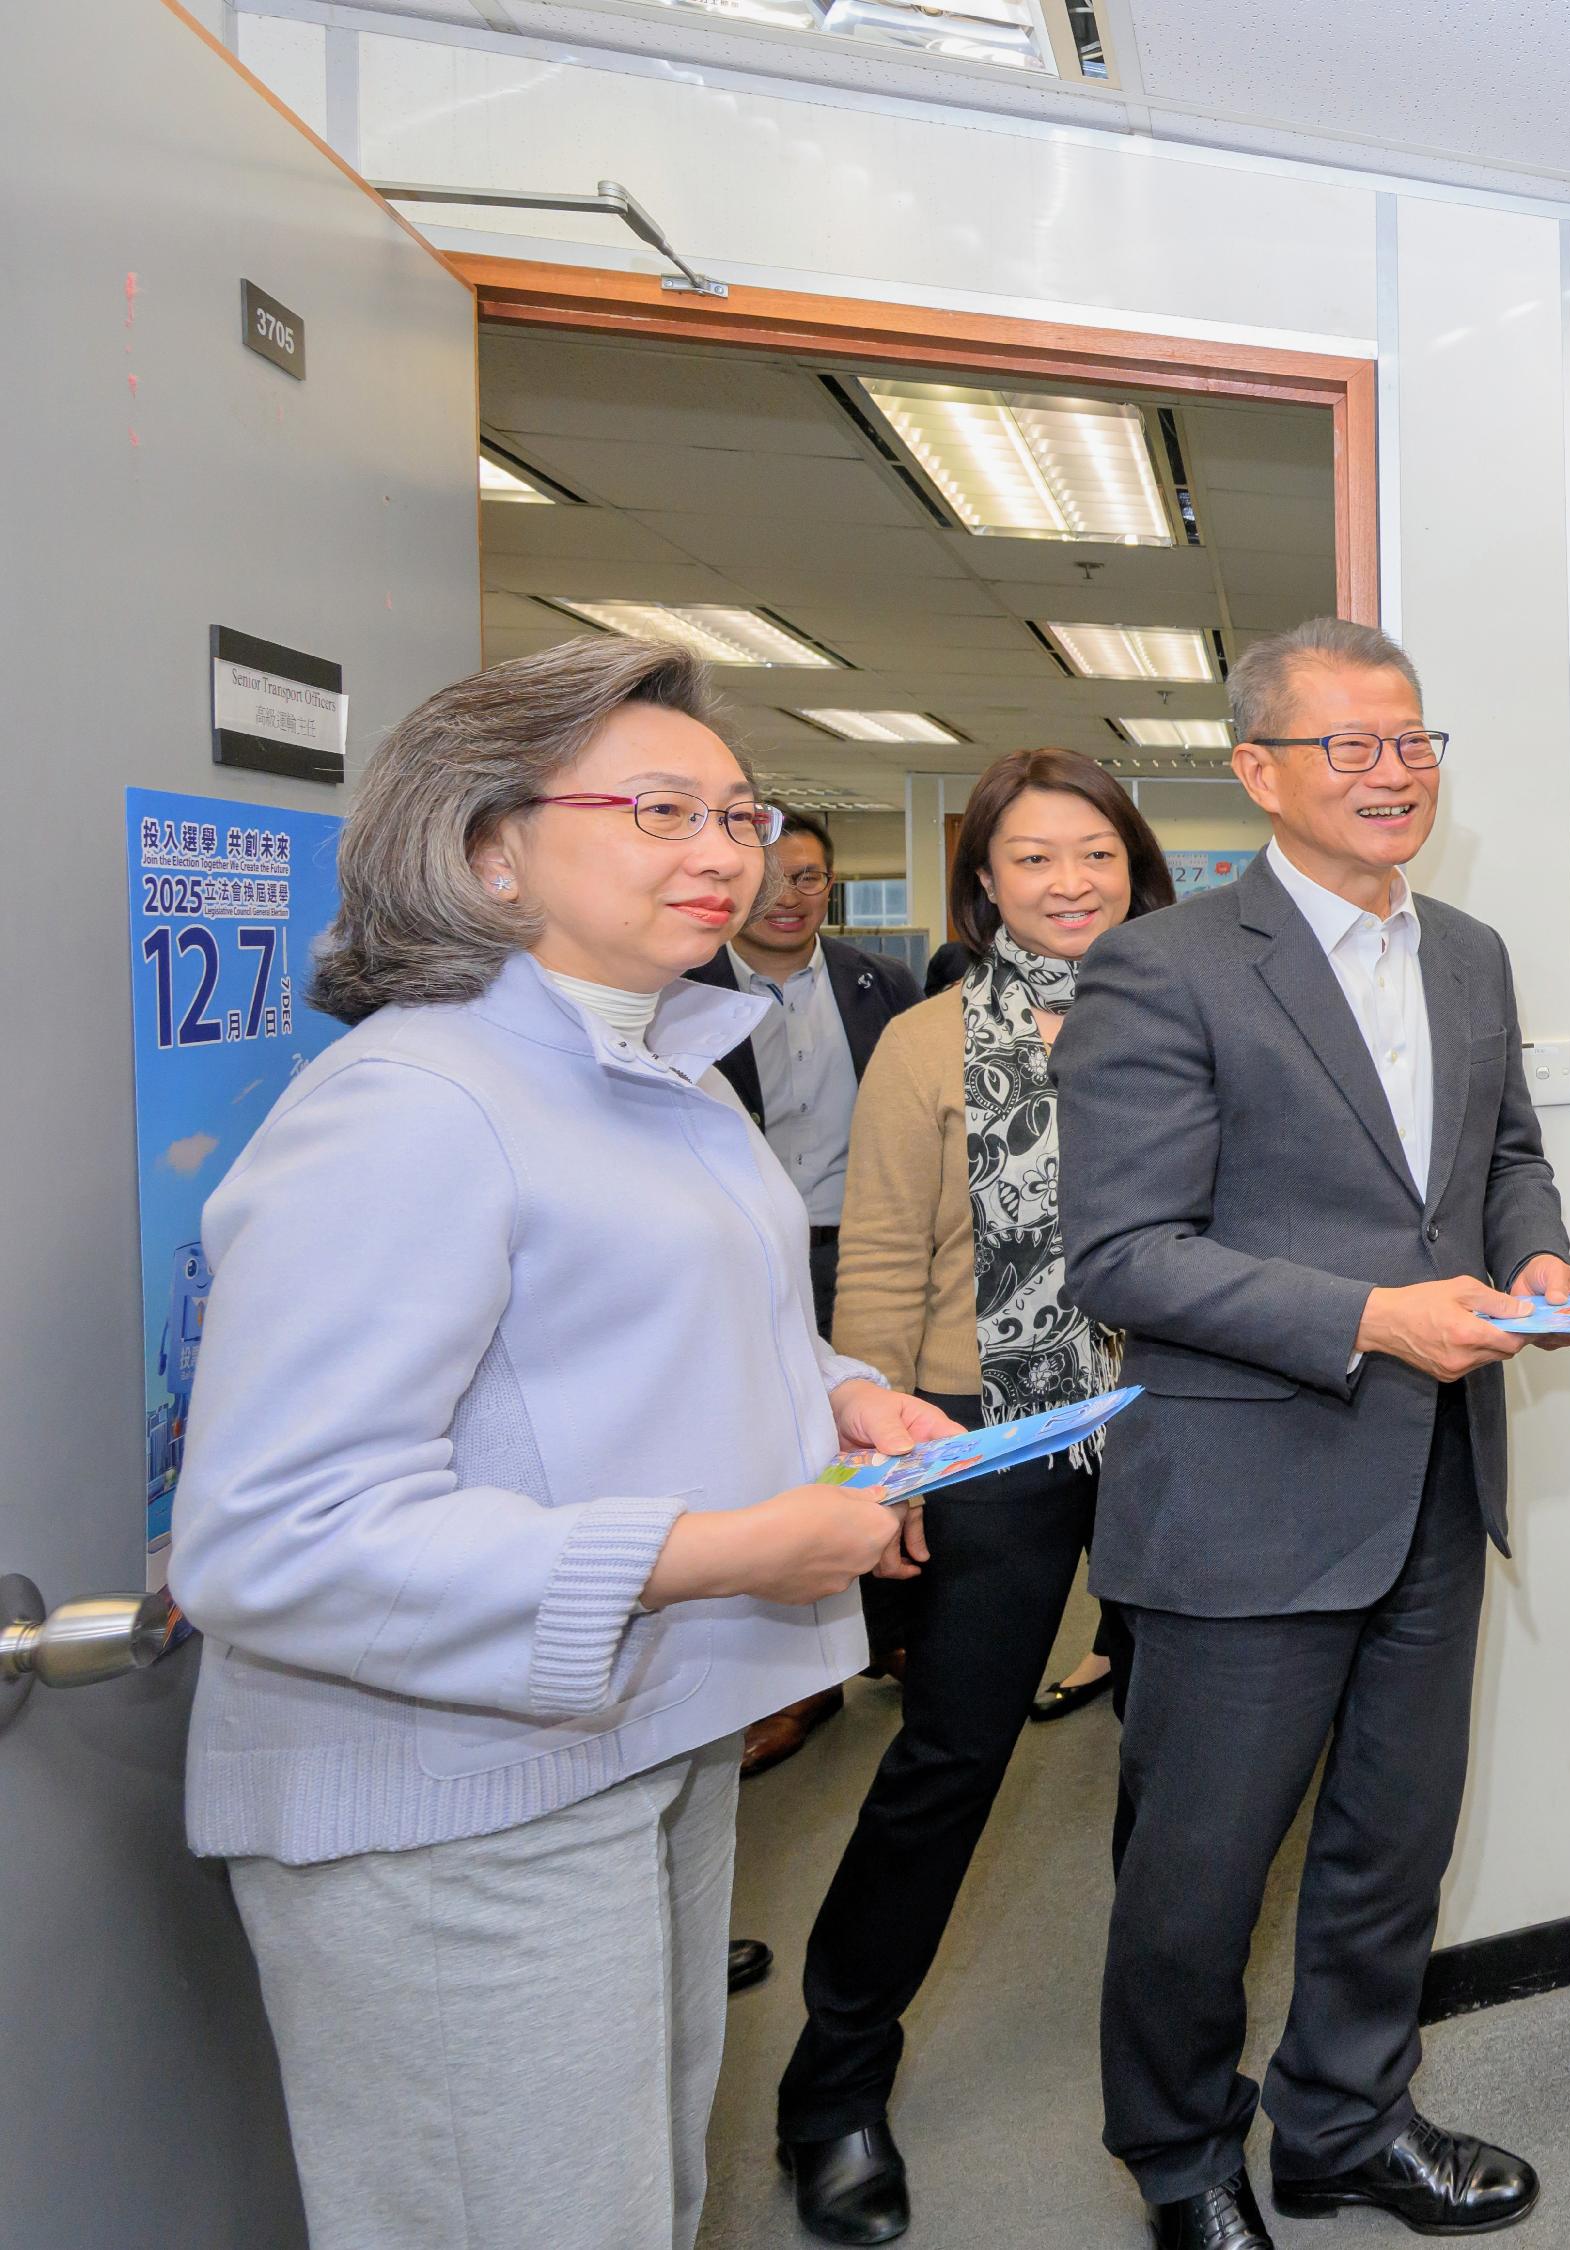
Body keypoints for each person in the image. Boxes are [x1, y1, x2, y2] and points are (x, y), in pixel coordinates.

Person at [166, 636, 940, 2250]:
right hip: (458, 1802)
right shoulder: (409, 1106)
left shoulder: (661, 1065)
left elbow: (671, 1324)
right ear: (484, 844)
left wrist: (842, 1392)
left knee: (626, 2206)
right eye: (662, 810)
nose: (725, 850)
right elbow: (274, 1536)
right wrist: (730, 1549)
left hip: (642, 1738)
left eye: (738, 813)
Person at [1061, 616, 1570, 2250]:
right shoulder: (1165, 964)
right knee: (1199, 1877)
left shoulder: (1471, 956)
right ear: (1256, 774)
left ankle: (1346, 2122)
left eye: (1414, 741)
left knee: (1390, 1841)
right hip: (1241, 1491)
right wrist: (1370, 1319)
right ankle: (1183, 2160)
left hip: (1433, 1473)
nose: (1391, 772)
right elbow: (1125, 1255)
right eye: (1349, 745)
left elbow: (1499, 1158)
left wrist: (1535, 1253)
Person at [769, 748, 1176, 2243]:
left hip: (1171, 1426)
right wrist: (882, 1469)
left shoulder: (1193, 1015)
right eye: (1032, 858)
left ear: (1137, 868)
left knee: (1179, 1761)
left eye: (1095, 855)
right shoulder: (927, 1042)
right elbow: (874, 1264)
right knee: (948, 1754)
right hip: (980, 1424)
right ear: (983, 880)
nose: (1069, 882)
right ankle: (831, 2086)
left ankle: (1173, 2083)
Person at [689, 806, 912, 1775]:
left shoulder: (881, 985)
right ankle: (793, 1680)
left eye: (811, 877)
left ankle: (885, 1636)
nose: (790, 895)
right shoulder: (679, 990)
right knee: (771, 1454)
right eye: (772, 874)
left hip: (859, 1240)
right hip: (742, 1257)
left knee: (876, 1443)